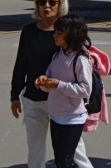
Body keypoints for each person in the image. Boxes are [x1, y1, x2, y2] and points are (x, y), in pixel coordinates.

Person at [10, 0, 93, 168]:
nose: (46, 6)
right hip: (34, 99)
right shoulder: (29, 31)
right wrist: (14, 95)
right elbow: (21, 64)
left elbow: (85, 61)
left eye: (52, 2)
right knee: (35, 150)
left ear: (61, 5)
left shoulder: (69, 34)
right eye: (42, 2)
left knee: (76, 152)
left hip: (64, 103)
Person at [36, 13, 93, 168]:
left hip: (73, 118)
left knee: (65, 161)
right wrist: (43, 81)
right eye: (55, 32)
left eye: (59, 33)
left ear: (72, 35)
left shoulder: (80, 60)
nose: (54, 35)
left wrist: (58, 85)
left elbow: (85, 90)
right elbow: (49, 79)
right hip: (56, 115)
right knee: (60, 159)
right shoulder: (57, 55)